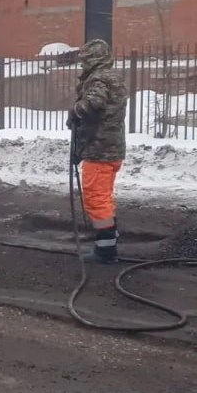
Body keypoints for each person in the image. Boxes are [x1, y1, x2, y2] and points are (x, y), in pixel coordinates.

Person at [67, 39, 127, 264]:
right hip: (110, 148)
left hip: (99, 149)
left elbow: (95, 102)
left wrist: (75, 110)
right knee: (104, 197)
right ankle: (109, 239)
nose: (82, 66)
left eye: (84, 61)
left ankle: (106, 251)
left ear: (92, 59)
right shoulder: (112, 77)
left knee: (95, 198)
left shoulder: (100, 78)